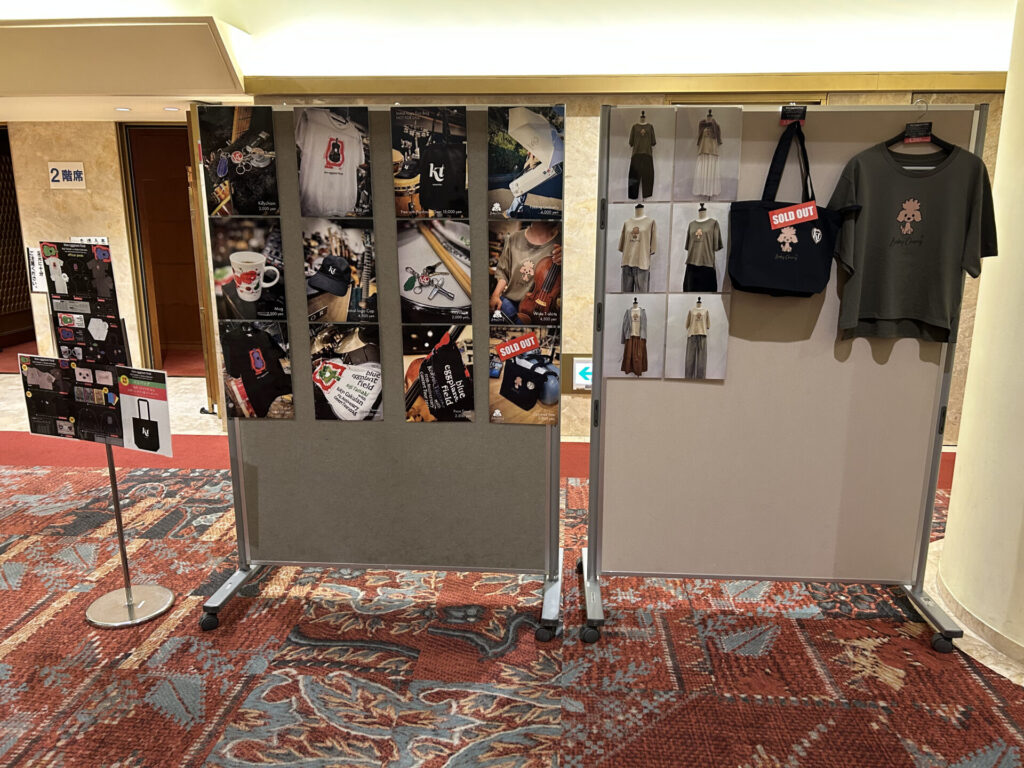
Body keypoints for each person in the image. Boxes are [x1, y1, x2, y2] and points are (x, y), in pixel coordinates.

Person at [489, 221, 562, 322]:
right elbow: (503, 272)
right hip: (510, 301)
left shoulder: (563, 242)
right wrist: (495, 295)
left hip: (541, 307)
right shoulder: (514, 238)